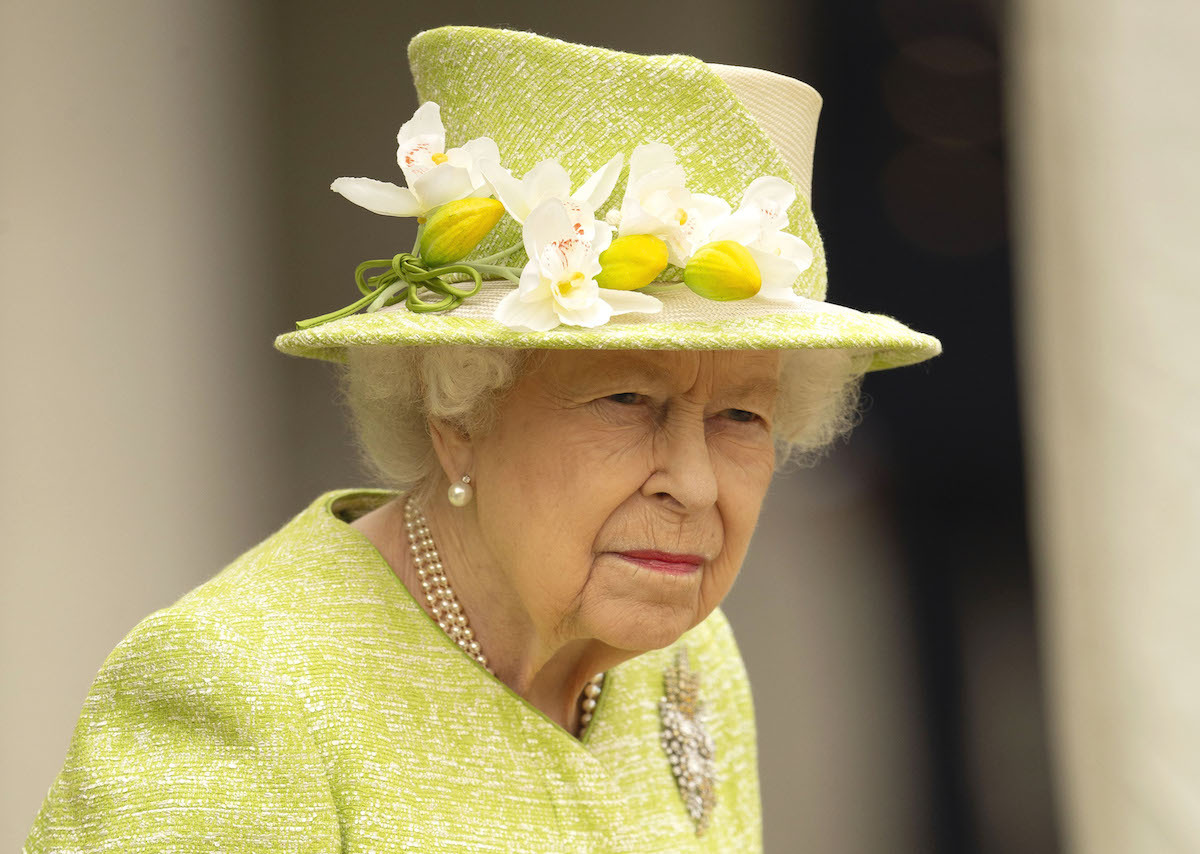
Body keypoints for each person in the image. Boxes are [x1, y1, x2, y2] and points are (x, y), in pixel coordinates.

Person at [24, 25, 940, 852]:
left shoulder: (686, 663)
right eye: (626, 398)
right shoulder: (241, 691)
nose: (695, 486)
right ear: (458, 416)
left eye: (742, 416)